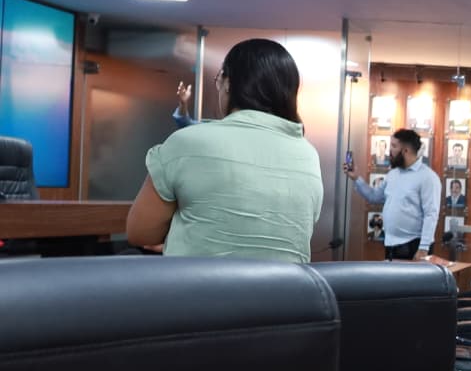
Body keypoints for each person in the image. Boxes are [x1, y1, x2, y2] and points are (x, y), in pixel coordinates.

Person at [127, 38, 323, 262]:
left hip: (197, 283)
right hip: (284, 285)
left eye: (218, 80)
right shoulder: (308, 156)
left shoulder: (187, 142)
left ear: (228, 83)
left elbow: (140, 232)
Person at [346, 128, 441, 260]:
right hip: (391, 244)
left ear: (405, 150)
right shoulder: (393, 174)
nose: (390, 151)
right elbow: (374, 197)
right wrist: (356, 178)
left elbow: (431, 214)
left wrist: (423, 248)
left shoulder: (428, 177)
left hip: (414, 246)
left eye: (394, 146)